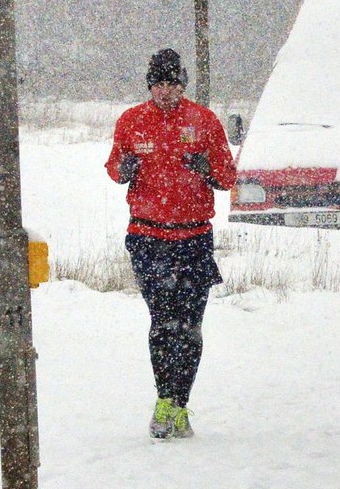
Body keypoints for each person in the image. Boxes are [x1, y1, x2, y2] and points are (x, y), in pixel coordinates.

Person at [105, 48, 237, 439]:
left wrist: (207, 169)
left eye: (174, 84)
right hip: (148, 238)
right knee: (164, 323)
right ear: (150, 85)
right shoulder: (132, 121)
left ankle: (180, 405)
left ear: (183, 84)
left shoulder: (204, 120)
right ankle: (164, 400)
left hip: (194, 238)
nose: (167, 91)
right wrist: (124, 168)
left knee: (191, 326)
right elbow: (113, 168)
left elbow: (229, 176)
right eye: (160, 84)